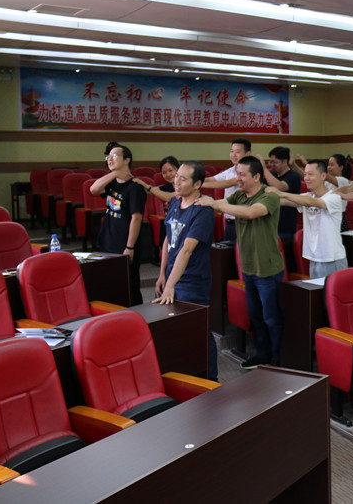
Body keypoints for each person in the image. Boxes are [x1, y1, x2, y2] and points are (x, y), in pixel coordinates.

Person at [196, 156, 285, 368]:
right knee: (255, 315)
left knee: (271, 317)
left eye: (242, 175)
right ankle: (263, 354)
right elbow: (224, 205)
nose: (238, 179)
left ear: (256, 176)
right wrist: (208, 202)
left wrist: (215, 203)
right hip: (248, 267)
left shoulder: (269, 196)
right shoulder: (239, 195)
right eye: (237, 174)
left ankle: (278, 358)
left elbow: (252, 213)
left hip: (267, 268)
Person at [154, 161, 218, 380]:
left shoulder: (203, 212)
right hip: (172, 276)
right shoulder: (175, 202)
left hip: (192, 281)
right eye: (176, 176)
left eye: (183, 178)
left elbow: (187, 250)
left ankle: (211, 379)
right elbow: (168, 238)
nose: (176, 181)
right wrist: (162, 274)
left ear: (197, 184)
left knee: (199, 330)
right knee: (177, 331)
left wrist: (170, 285)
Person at [266, 160, 348, 278]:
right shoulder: (307, 197)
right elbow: (281, 201)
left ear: (323, 176)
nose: (306, 178)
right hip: (314, 258)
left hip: (332, 258)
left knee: (329, 290)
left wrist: (281, 193)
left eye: (311, 174)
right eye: (305, 174)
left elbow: (312, 202)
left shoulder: (333, 198)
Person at [90, 142, 146, 306]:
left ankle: (137, 316)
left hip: (125, 244)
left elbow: (136, 218)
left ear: (127, 160)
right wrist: (114, 173)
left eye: (114, 156)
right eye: (108, 157)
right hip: (108, 241)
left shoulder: (135, 187)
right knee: (111, 285)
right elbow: (93, 189)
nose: (110, 159)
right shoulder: (112, 183)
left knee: (129, 286)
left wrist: (129, 247)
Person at [204, 137, 252, 243]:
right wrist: (194, 180)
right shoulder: (230, 170)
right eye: (231, 151)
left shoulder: (248, 172)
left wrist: (198, 185)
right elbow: (212, 179)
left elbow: (226, 183)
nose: (233, 155)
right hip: (230, 223)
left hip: (244, 223)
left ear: (247, 154)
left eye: (237, 152)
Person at [259, 146, 301, 240]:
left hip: (285, 229)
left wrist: (264, 169)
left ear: (285, 161)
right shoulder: (271, 175)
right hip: (269, 225)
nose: (272, 165)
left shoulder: (293, 176)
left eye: (275, 162)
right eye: (270, 162)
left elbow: (279, 187)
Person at [327, 154, 352, 231]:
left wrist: (315, 170)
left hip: (338, 217)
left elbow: (323, 176)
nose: (329, 167)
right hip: (328, 215)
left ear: (341, 167)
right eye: (328, 165)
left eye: (332, 165)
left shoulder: (343, 180)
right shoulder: (326, 182)